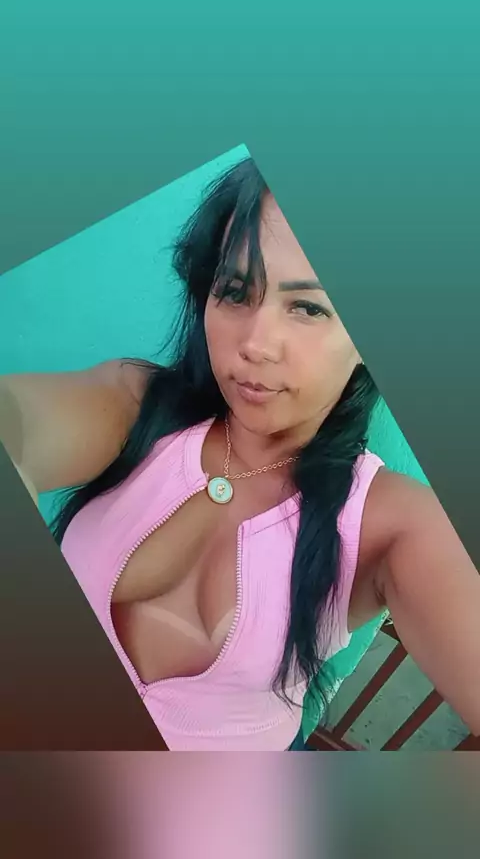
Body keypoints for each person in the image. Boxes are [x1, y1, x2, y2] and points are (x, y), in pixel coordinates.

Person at [1, 157, 480, 751]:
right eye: (234, 292)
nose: (255, 343)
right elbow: (18, 420)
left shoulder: (391, 525)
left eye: (309, 307)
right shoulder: (135, 406)